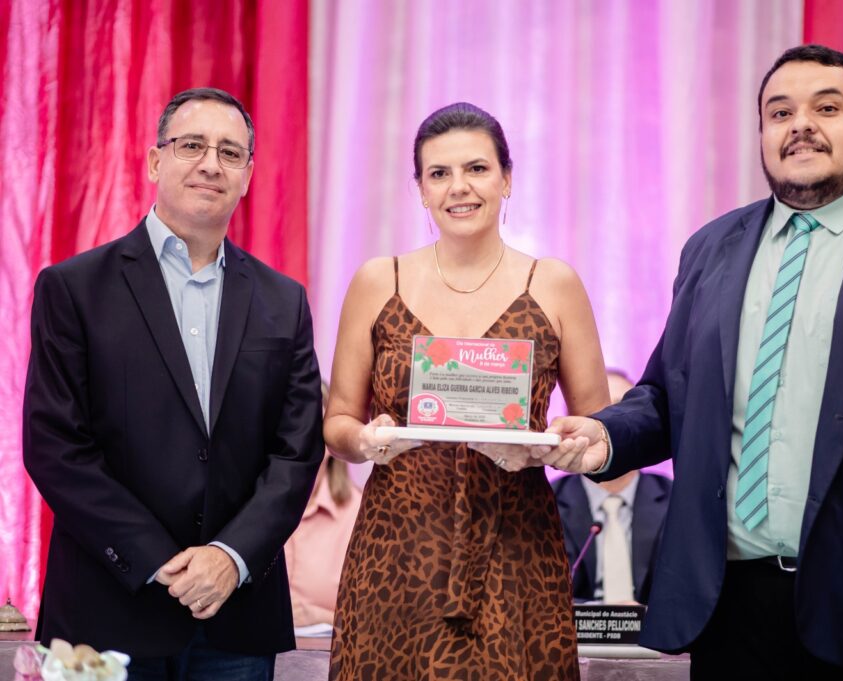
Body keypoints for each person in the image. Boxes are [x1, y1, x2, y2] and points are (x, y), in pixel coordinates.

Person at [538, 45, 843, 681]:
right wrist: (604, 435)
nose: (801, 125)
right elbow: (669, 395)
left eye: (827, 107)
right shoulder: (711, 248)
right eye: (780, 112)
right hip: (733, 609)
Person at [23, 87, 323, 679]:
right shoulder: (74, 289)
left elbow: (296, 452)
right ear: (156, 161)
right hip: (106, 611)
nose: (211, 164)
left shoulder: (283, 301)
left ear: (248, 176)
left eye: (230, 153)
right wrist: (160, 560)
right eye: (192, 146)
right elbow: (55, 446)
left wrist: (229, 557)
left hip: (236, 617)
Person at [324, 102, 609, 680]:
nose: (459, 187)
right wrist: (366, 440)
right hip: (398, 546)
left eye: (477, 168)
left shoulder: (554, 284)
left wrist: (556, 448)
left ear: (507, 179)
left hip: (517, 544)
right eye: (439, 173)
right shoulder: (379, 280)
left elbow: (601, 429)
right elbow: (338, 423)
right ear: (421, 190)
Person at [552, 369, 671, 604]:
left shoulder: (676, 499)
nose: (611, 426)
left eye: (623, 411)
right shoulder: (546, 501)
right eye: (601, 414)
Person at [283, 383, 363, 631]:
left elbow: (380, 624)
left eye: (307, 429)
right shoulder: (240, 510)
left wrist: (319, 616)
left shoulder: (360, 516)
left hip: (324, 653)